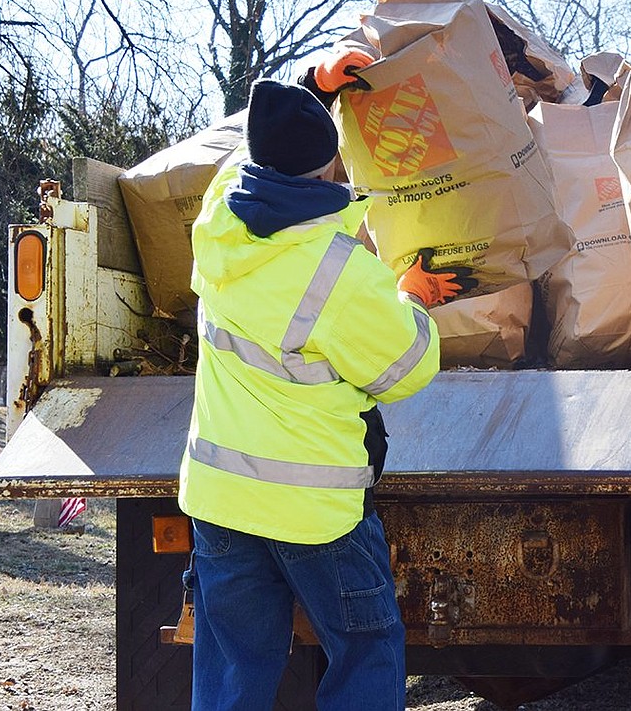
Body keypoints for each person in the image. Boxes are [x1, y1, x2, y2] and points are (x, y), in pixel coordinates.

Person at [178, 75, 475, 711]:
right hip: (315, 512)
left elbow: (244, 157)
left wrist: (309, 89)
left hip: (220, 499)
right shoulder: (342, 273)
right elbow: (407, 369)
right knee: (367, 648)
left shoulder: (217, 224)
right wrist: (414, 299)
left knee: (235, 669)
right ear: (326, 171)